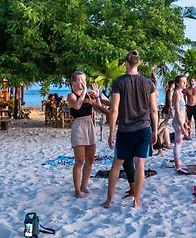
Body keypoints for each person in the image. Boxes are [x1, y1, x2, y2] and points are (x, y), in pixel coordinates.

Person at [103, 50, 157, 209]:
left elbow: (114, 110)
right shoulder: (148, 83)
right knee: (140, 163)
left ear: (125, 63)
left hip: (125, 130)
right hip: (144, 128)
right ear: (139, 63)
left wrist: (111, 132)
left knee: (117, 164)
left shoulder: (119, 82)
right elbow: (154, 110)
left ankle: (109, 200)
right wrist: (154, 130)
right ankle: (137, 201)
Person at [67, 73, 104, 198]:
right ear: (73, 82)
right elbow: (77, 106)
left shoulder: (88, 94)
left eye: (84, 80)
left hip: (89, 125)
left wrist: (97, 97)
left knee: (90, 160)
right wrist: (84, 93)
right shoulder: (71, 95)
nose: (83, 82)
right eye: (81, 80)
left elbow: (98, 110)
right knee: (79, 161)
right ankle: (77, 189)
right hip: (79, 126)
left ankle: (84, 185)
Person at [172, 75, 190, 174]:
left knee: (179, 143)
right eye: (183, 82)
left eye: (185, 82)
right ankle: (178, 166)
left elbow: (183, 110)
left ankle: (179, 164)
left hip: (181, 122)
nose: (184, 84)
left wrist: (185, 123)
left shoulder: (181, 93)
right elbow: (177, 112)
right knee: (178, 143)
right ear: (178, 83)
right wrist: (182, 127)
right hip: (178, 122)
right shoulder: (177, 94)